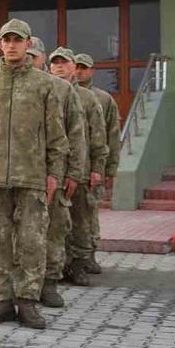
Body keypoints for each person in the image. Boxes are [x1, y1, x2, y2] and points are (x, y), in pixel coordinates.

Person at [0, 19, 68, 329]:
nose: (11, 45)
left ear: (28, 44)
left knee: (32, 241)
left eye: (17, 40)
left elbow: (56, 134)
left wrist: (54, 173)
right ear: (0, 44)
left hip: (32, 176)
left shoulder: (44, 84)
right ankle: (1, 300)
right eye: (6, 40)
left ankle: (27, 301)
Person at [32, 44, 85, 306]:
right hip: (19, 175)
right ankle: (22, 284)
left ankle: (50, 282)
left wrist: (74, 172)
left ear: (41, 57)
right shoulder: (3, 85)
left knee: (54, 230)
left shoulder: (61, 89)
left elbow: (75, 134)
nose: (28, 58)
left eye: (33, 55)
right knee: (20, 234)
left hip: (53, 174)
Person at [51, 47, 107, 286]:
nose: (59, 67)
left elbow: (98, 137)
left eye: (64, 63)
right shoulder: (45, 91)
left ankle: (79, 265)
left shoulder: (87, 98)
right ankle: (58, 265)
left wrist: (97, 168)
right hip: (52, 171)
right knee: (55, 223)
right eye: (55, 63)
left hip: (80, 171)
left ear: (73, 67)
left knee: (80, 221)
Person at [74, 53, 121, 274]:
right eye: (77, 67)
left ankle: (89, 254)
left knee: (90, 212)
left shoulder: (103, 99)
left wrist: (108, 168)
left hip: (92, 167)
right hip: (73, 167)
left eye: (84, 68)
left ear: (92, 71)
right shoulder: (61, 93)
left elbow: (111, 135)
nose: (79, 71)